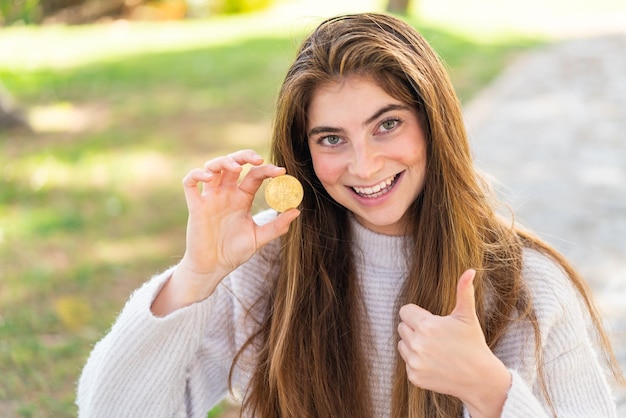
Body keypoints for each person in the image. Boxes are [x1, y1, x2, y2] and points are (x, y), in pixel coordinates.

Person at [77, 12, 624, 418]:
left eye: (387, 124)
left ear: (435, 124)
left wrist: (490, 391)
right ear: (305, 154)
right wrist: (197, 275)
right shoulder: (268, 273)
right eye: (332, 138)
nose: (363, 166)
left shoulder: (528, 286)